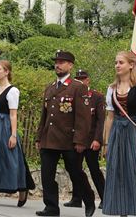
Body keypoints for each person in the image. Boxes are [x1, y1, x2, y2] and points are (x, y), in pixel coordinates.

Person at [35, 50, 95, 217]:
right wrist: (39, 136)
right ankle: (51, 207)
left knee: (75, 173)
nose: (58, 64)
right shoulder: (50, 88)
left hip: (69, 139)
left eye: (62, 62)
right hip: (49, 137)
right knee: (47, 174)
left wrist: (80, 141)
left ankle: (88, 200)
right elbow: (44, 116)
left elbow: (83, 118)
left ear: (70, 65)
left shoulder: (78, 87)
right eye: (56, 61)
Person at [0, 60, 35, 206]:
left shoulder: (13, 91)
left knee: (10, 159)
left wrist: (13, 135)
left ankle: (22, 187)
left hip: (5, 128)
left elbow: (13, 115)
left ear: (6, 72)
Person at [102, 51, 136, 216]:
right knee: (116, 171)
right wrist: (106, 143)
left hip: (134, 133)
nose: (117, 65)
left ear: (131, 65)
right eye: (116, 62)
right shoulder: (112, 89)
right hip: (117, 133)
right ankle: (121, 210)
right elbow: (109, 118)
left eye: (121, 62)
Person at [63, 69, 105, 210]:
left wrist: (98, 139)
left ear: (88, 80)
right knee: (75, 169)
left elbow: (101, 121)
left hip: (91, 140)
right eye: (78, 79)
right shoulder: (72, 95)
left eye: (83, 79)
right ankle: (77, 198)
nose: (81, 81)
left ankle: (104, 198)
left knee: (94, 169)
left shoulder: (97, 97)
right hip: (77, 139)